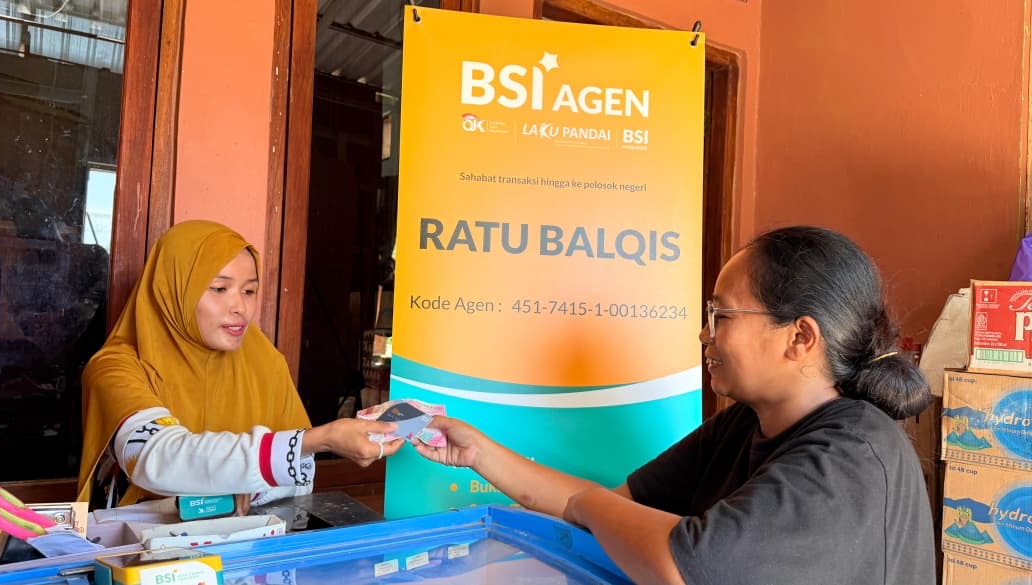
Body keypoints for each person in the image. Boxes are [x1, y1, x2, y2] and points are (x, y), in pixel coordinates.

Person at [414, 225, 935, 585]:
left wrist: (589, 506)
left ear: (799, 337)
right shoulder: (745, 422)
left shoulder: (852, 455)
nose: (705, 335)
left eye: (721, 317)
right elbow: (617, 503)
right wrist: (478, 452)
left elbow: (683, 566)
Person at [78, 220, 403, 511]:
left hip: (247, 548)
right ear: (173, 289)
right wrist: (320, 439)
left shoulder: (265, 363)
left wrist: (245, 486)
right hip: (143, 551)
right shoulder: (116, 369)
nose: (240, 307)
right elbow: (155, 457)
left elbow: (300, 475)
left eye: (249, 291)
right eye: (219, 289)